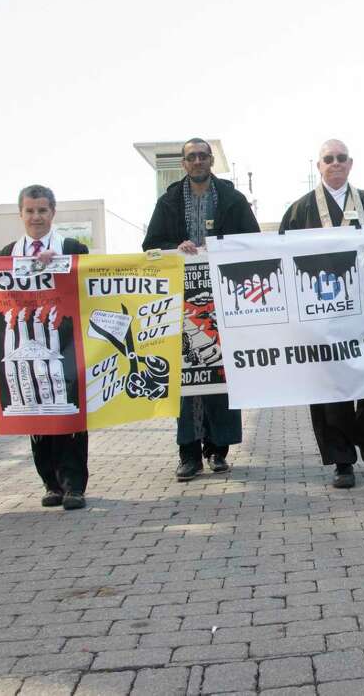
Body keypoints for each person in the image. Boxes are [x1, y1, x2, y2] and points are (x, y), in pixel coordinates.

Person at [143, 138, 260, 481]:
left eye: (202, 156)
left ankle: (218, 450)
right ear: (183, 163)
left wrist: (222, 247)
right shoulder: (167, 202)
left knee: (220, 375)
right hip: (181, 304)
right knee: (187, 379)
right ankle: (189, 453)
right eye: (191, 157)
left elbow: (251, 239)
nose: (197, 161)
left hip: (223, 302)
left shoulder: (231, 198)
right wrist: (173, 247)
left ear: (211, 160)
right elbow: (151, 245)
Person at [278, 139, 364, 490]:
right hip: (322, 314)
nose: (335, 163)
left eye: (342, 158)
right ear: (319, 166)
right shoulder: (299, 210)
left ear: (351, 163)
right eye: (328, 159)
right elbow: (278, 255)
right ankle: (343, 461)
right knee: (329, 389)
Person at [0, 185, 91, 511]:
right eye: (30, 211)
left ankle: (74, 486)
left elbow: (92, 280)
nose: (36, 217)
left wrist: (62, 263)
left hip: (66, 347)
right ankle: (50, 483)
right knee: (36, 415)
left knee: (69, 415)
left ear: (52, 213)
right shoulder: (6, 254)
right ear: (21, 214)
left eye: (42, 210)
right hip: (24, 346)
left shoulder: (72, 247)